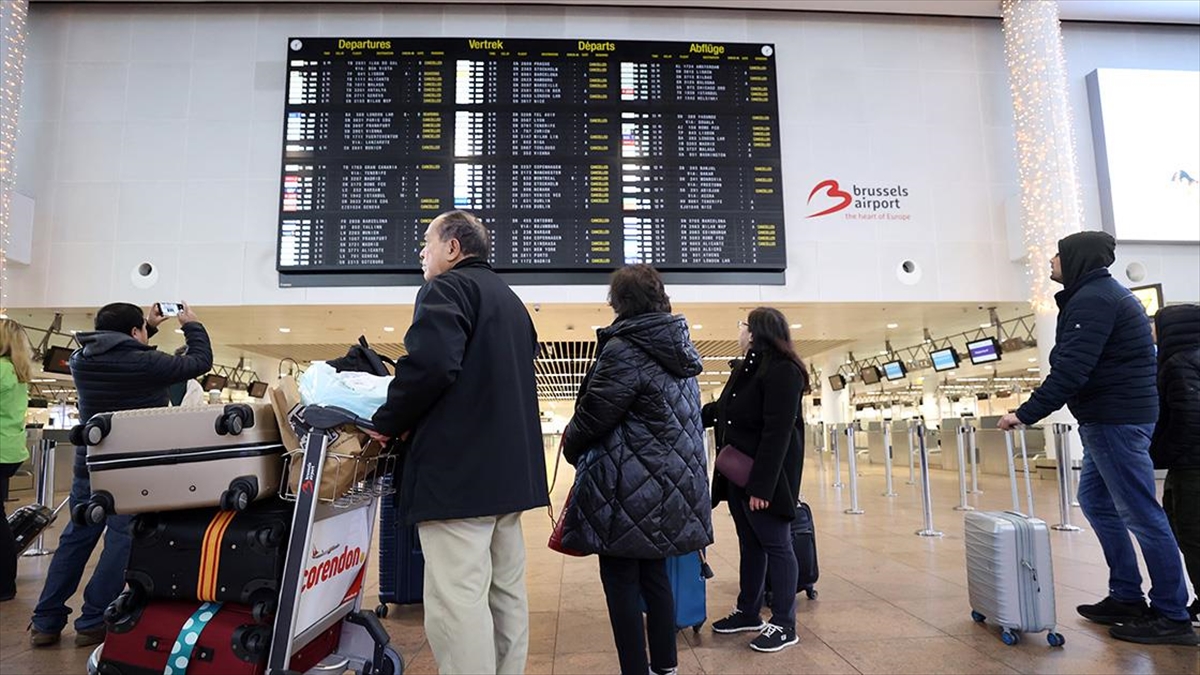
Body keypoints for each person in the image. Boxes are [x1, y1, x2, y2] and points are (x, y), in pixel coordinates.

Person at [369, 210, 548, 675]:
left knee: (458, 601)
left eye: (427, 242)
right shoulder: (511, 302)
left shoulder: (446, 289)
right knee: (506, 592)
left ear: (453, 247)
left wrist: (387, 420)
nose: (421, 252)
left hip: (458, 480)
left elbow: (431, 367)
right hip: (510, 480)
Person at [997, 231, 1198, 646]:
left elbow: (1072, 369)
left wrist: (1025, 414)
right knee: (1096, 502)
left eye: (1058, 254)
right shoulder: (1096, 297)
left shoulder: (1095, 300)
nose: (1052, 261)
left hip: (1115, 421)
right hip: (1109, 420)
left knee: (1141, 513)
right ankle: (1126, 594)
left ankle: (1172, 614)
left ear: (1077, 259)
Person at [559, 264, 713, 675]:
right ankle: (665, 665)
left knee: (621, 581)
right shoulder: (679, 351)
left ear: (620, 302)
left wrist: (570, 446)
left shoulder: (625, 348)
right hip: (666, 488)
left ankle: (634, 668)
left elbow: (594, 415)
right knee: (656, 577)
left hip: (625, 488)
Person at [30, 301, 212, 647]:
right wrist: (192, 324)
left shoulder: (82, 360)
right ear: (133, 333)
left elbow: (123, 353)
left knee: (76, 536)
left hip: (91, 461)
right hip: (132, 464)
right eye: (142, 330)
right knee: (120, 539)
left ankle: (45, 620)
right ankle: (93, 619)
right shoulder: (146, 362)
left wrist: (149, 325)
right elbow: (200, 362)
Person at [704, 307, 809, 653]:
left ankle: (784, 623)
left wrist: (762, 487)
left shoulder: (784, 371)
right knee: (750, 543)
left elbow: (777, 434)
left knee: (777, 545)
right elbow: (723, 412)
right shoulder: (748, 368)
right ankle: (748, 611)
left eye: (743, 326)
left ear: (757, 332)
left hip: (766, 478)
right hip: (737, 473)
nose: (739, 331)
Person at [1149, 303, 1200, 624]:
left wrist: (1161, 454)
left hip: (1191, 466)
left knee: (1190, 531)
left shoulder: (1179, 364)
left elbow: (1189, 418)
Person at [0, 319, 34, 602]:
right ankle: (5, 582)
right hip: (9, 451)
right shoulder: (16, 372)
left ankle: (3, 585)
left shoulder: (0, 369)